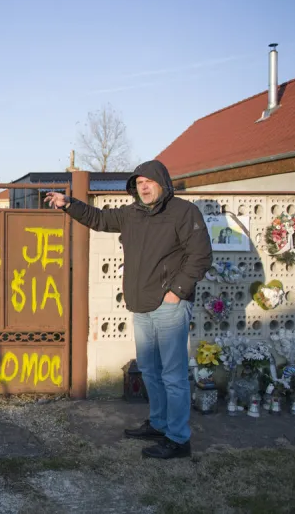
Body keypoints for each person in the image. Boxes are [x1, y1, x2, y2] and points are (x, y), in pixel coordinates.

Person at [44, 160, 212, 459]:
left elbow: (200, 256)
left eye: (148, 181)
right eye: (138, 183)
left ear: (162, 182)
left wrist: (177, 292)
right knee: (150, 370)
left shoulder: (184, 212)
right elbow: (99, 218)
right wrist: (69, 204)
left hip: (170, 307)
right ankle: (159, 424)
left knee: (173, 375)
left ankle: (178, 439)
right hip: (140, 305)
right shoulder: (131, 214)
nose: (143, 187)